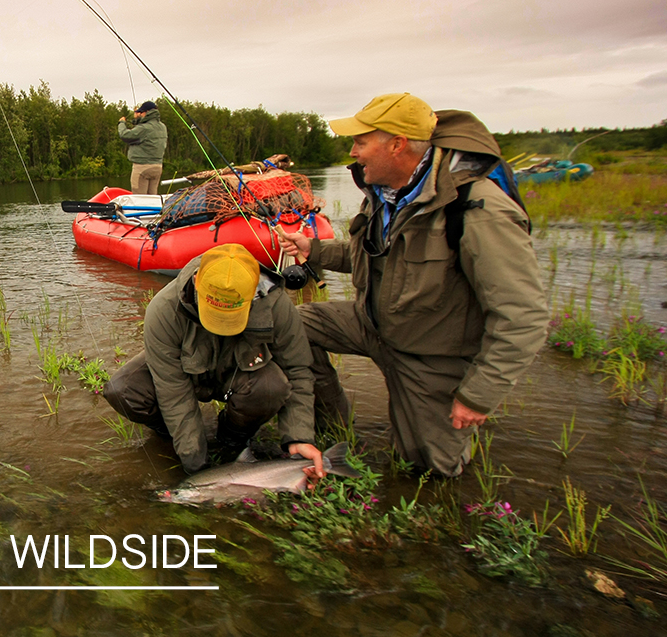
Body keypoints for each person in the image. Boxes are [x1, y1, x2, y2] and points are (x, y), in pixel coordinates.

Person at [276, 93, 549, 477]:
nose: (353, 152)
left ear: (397, 144)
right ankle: (332, 427)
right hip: (372, 323)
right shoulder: (384, 193)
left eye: (361, 141)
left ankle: (434, 421)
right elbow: (374, 256)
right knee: (290, 325)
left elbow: (524, 316)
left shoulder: (478, 209)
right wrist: (313, 250)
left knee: (430, 469)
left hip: (430, 352)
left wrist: (478, 395)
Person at [103, 243, 325, 479]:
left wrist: (299, 437)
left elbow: (297, 370)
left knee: (273, 386)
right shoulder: (163, 309)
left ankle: (232, 440)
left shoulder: (276, 303)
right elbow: (172, 390)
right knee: (123, 389)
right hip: (187, 372)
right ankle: (173, 437)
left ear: (253, 290)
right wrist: (197, 468)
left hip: (240, 374)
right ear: (197, 281)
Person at [118, 100, 167, 194]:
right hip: (157, 167)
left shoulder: (144, 128)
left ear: (147, 112)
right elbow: (143, 130)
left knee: (140, 200)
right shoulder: (162, 127)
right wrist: (138, 119)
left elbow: (125, 135)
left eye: (141, 112)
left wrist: (122, 123)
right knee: (152, 200)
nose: (140, 114)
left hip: (142, 168)